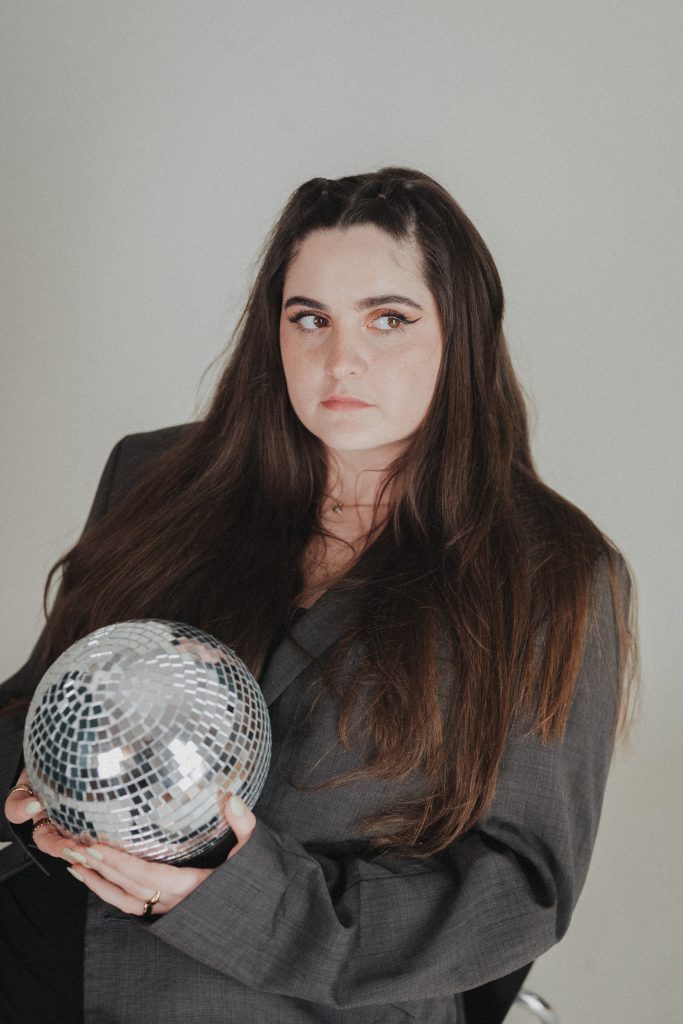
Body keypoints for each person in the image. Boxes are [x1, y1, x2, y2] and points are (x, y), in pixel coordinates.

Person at [0, 167, 638, 1024]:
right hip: (40, 953)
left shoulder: (548, 572)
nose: (340, 360)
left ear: (462, 332)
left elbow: (513, 894)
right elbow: (38, 698)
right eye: (309, 318)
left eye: (388, 318)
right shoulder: (155, 476)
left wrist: (237, 901)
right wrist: (27, 782)